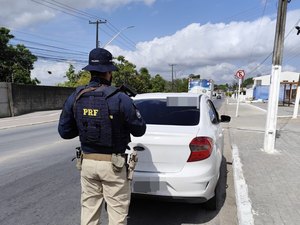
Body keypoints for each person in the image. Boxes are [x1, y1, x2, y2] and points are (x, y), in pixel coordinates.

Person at [58, 47, 146, 225]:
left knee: (89, 213)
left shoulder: (76, 96)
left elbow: (65, 132)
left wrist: (86, 126)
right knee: (117, 214)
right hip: (114, 165)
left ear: (90, 71)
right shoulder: (120, 98)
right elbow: (139, 130)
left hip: (88, 163)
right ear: (108, 72)